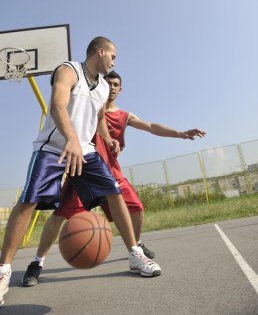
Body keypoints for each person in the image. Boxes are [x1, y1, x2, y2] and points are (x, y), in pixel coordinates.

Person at [0, 37, 162, 308]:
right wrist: (72, 139)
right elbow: (57, 106)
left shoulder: (101, 86)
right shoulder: (68, 70)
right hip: (53, 149)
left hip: (85, 151)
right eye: (113, 56)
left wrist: (107, 138)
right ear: (100, 52)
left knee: (114, 192)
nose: (114, 61)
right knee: (28, 202)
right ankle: (4, 270)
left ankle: (135, 254)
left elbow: (97, 118)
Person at [22, 70, 206, 287]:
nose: (112, 87)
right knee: (59, 216)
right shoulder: (87, 111)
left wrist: (180, 133)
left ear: (120, 89)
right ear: (101, 86)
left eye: (116, 84)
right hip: (82, 173)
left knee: (136, 208)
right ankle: (37, 262)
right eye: (108, 83)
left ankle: (136, 248)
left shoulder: (123, 116)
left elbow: (151, 127)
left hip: (112, 174)